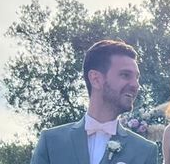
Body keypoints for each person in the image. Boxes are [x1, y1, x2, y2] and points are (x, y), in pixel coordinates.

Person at [31, 39, 159, 164]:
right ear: (96, 79)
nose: (136, 85)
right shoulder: (51, 141)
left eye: (137, 78)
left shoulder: (144, 152)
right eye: (125, 75)